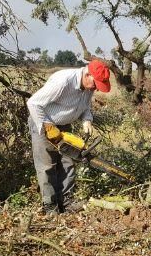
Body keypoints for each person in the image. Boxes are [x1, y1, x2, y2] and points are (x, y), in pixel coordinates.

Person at [26, 59, 111, 214]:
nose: (97, 89)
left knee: (68, 162)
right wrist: (48, 126)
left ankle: (66, 200)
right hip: (43, 122)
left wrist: (87, 120)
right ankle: (50, 206)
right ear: (87, 74)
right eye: (96, 84)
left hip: (64, 126)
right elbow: (33, 103)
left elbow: (85, 106)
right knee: (47, 166)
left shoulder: (88, 87)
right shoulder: (63, 81)